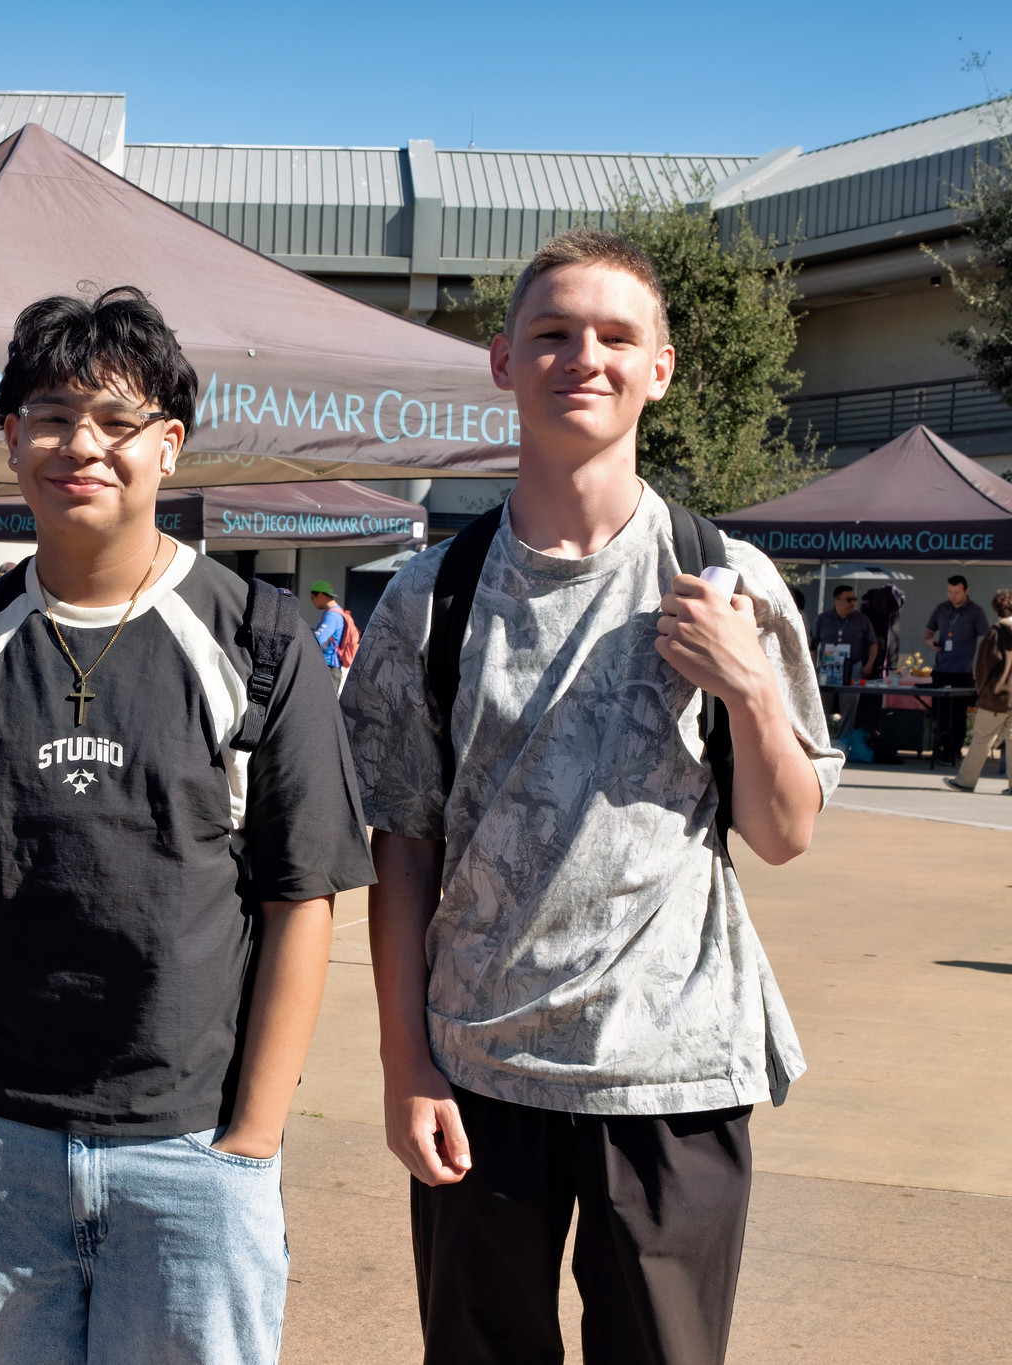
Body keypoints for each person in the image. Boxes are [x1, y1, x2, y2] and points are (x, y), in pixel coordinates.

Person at [340, 228, 838, 1364]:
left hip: (671, 1074)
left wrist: (748, 684)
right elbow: (400, 849)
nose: (585, 358)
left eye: (617, 336)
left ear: (657, 368)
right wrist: (403, 1064)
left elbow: (783, 834)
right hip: (477, 1072)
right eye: (552, 334)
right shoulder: (431, 597)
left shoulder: (727, 580)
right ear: (502, 364)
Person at [0, 286, 373, 1365]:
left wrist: (250, 1145)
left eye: (115, 421)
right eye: (50, 416)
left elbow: (300, 905)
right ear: (9, 439)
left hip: (192, 1151)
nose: (78, 445)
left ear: (167, 446)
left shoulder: (261, 643)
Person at [946, 588, 1012, 793]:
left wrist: (981, 689)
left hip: (997, 696)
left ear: (996, 608)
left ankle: (965, 781)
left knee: (982, 740)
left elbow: (984, 666)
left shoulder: (996, 632)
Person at [924, 575, 991, 763]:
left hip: (962, 670)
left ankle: (954, 749)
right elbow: (928, 633)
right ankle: (942, 746)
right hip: (941, 669)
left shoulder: (975, 611)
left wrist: (981, 665)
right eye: (950, 592)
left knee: (958, 714)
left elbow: (986, 638)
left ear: (966, 591)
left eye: (957, 593)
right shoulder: (941, 608)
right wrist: (931, 643)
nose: (953, 596)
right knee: (939, 712)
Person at [813, 583, 880, 739]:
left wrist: (869, 664)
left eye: (854, 599)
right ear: (837, 600)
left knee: (849, 706)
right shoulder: (823, 619)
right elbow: (813, 644)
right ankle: (822, 739)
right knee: (821, 705)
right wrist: (813, 667)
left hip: (852, 667)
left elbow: (873, 643)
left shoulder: (861, 620)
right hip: (827, 668)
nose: (852, 603)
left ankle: (843, 741)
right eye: (848, 599)